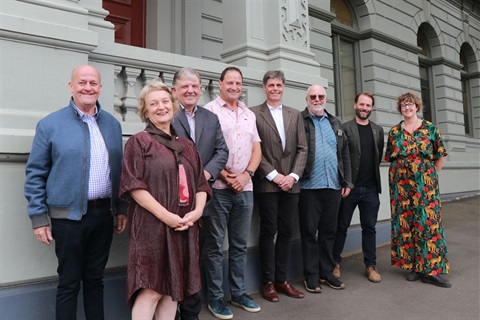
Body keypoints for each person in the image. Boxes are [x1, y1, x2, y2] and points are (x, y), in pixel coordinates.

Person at [24, 65, 127, 320]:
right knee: (69, 282)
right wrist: (38, 218)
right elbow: (35, 173)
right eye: (82, 82)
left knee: (95, 280)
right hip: (68, 219)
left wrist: (121, 208)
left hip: (103, 215)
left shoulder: (113, 125)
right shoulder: (50, 125)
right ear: (71, 86)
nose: (88, 87)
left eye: (93, 83)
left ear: (100, 89)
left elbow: (121, 170)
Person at [119, 80, 212, 319]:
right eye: (153, 104)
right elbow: (134, 186)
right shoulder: (139, 142)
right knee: (151, 289)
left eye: (164, 101)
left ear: (173, 104)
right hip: (152, 227)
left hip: (185, 226)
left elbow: (201, 184)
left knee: (173, 290)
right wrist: (168, 217)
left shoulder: (187, 145)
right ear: (145, 110)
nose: (161, 107)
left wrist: (198, 211)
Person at [203, 66, 262, 320]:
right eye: (230, 82)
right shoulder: (209, 111)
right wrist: (227, 176)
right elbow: (205, 150)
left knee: (239, 245)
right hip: (219, 188)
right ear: (220, 83)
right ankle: (215, 298)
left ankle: (238, 292)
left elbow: (256, 150)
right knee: (214, 246)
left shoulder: (249, 114)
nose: (235, 87)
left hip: (245, 189)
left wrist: (246, 175)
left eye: (238, 83)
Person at [171, 67, 229, 320]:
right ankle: (171, 308)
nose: (190, 90)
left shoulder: (210, 117)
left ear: (201, 89)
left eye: (195, 86)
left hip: (205, 197)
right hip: (174, 200)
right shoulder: (166, 114)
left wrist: (205, 174)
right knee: (176, 257)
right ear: (175, 90)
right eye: (185, 86)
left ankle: (191, 312)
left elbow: (222, 151)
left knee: (200, 254)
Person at [250, 70, 307, 302]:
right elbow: (255, 149)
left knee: (286, 232)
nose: (275, 89)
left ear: (284, 88)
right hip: (267, 183)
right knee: (268, 231)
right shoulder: (253, 113)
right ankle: (267, 283)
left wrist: (292, 176)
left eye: (279, 85)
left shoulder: (295, 115)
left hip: (291, 184)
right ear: (264, 87)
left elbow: (303, 148)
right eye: (271, 85)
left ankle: (282, 280)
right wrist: (274, 175)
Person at [385, 92, 451, 288]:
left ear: (417, 106)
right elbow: (391, 156)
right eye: (404, 105)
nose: (407, 107)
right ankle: (414, 265)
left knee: (428, 223)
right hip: (401, 185)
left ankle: (431, 270)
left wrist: (430, 176)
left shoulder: (430, 128)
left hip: (425, 184)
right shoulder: (395, 132)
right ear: (400, 108)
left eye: (410, 104)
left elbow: (440, 154)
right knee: (406, 223)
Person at [299, 85, 353, 293]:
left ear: (326, 98)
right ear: (307, 99)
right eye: (313, 96)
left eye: (320, 96)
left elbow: (345, 154)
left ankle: (327, 272)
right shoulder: (300, 121)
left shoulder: (335, 122)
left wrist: (346, 181)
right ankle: (311, 276)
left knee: (329, 232)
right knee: (309, 233)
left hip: (333, 186)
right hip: (308, 187)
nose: (317, 99)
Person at [332, 92, 384, 283]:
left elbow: (377, 157)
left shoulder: (378, 130)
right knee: (341, 226)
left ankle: (370, 266)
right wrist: (345, 182)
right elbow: (340, 157)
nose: (364, 108)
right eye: (361, 104)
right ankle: (334, 263)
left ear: (371, 108)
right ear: (355, 105)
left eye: (368, 105)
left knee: (369, 228)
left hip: (370, 189)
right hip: (349, 188)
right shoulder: (345, 128)